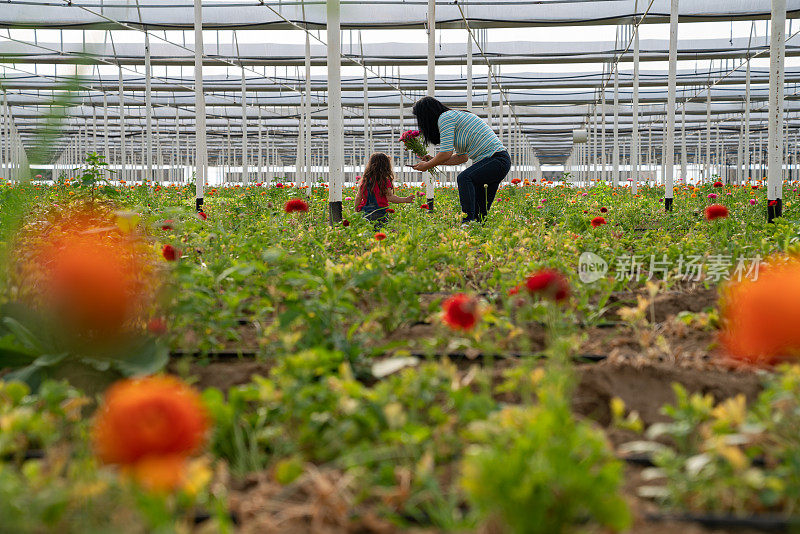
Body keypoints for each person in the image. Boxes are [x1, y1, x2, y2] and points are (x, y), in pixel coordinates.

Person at [410, 96, 511, 223]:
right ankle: (475, 235)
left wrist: (428, 165)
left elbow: (446, 153)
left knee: (464, 177)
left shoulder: (445, 118)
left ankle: (466, 222)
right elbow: (461, 157)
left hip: (496, 159)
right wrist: (433, 160)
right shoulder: (455, 118)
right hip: (497, 162)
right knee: (480, 212)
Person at [354, 152, 414, 225]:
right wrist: (405, 199)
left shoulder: (365, 181)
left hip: (365, 212)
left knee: (367, 232)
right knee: (380, 232)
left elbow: (358, 197)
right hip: (380, 213)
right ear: (386, 166)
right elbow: (390, 197)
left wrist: (356, 209)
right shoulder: (385, 181)